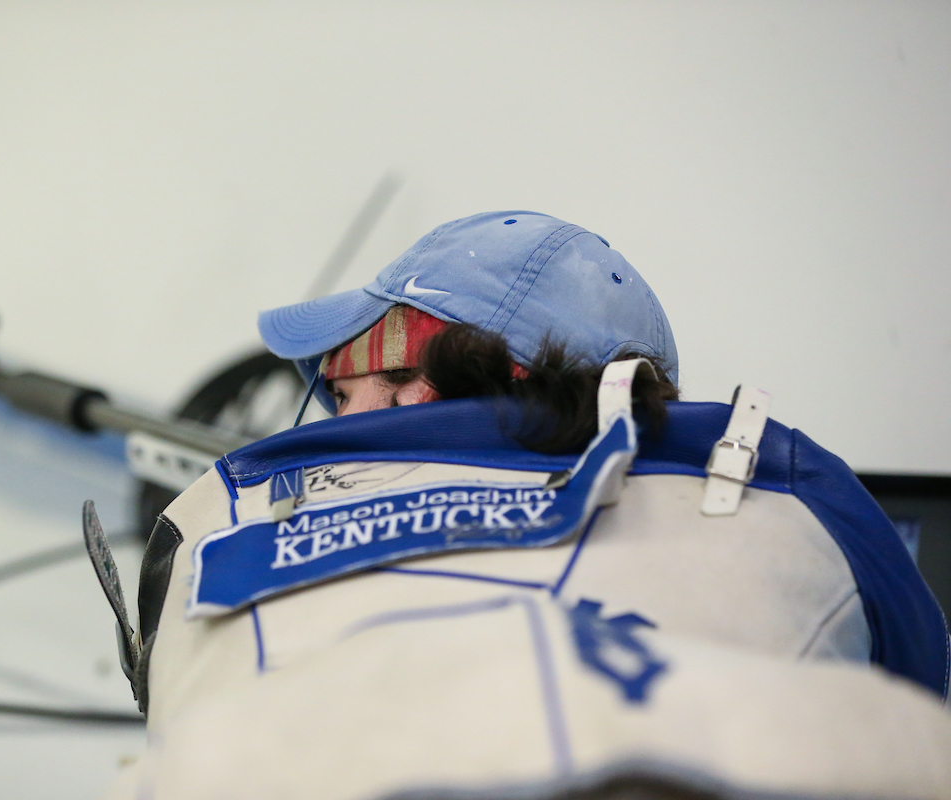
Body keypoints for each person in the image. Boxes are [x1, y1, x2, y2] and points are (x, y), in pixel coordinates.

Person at [96, 211, 950, 800]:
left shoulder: (219, 515)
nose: (346, 423)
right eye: (335, 394)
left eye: (390, 378)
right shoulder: (794, 489)